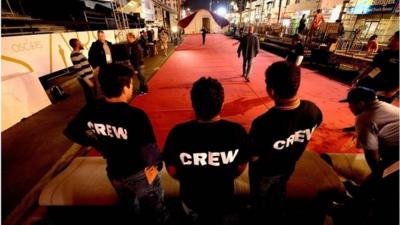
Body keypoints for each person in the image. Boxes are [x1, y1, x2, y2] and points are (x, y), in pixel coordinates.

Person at [63, 64, 168, 225]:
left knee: (128, 204)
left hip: (114, 172)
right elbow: (149, 153)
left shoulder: (91, 109)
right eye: (131, 84)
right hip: (139, 174)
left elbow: (72, 131)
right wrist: (157, 166)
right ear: (125, 87)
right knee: (154, 210)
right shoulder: (135, 116)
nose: (132, 87)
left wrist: (95, 141)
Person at [163, 77, 249, 225]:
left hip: (191, 199)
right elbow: (241, 166)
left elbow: (171, 169)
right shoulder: (237, 132)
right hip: (224, 197)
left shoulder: (178, 133)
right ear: (221, 104)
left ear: (193, 104)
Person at [248, 61, 323, 225]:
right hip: (289, 166)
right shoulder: (313, 110)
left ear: (271, 91)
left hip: (265, 172)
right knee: (280, 190)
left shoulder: (263, 123)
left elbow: (253, 157)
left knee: (260, 198)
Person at [340, 87, 399, 225]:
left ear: (361, 103)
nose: (349, 107)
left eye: (351, 103)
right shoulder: (385, 106)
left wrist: (378, 176)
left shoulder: (365, 118)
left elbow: (372, 155)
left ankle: (354, 211)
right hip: (395, 152)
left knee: (380, 184)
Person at [352, 31, 399, 103]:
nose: (389, 39)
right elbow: (372, 67)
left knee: (379, 111)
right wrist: (359, 77)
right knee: (364, 106)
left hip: (386, 91)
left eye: (392, 37)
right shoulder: (384, 53)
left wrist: (394, 90)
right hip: (373, 85)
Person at [69, 38, 97, 103]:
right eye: (80, 42)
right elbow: (79, 70)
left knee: (94, 97)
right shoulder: (74, 55)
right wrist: (88, 81)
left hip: (90, 78)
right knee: (91, 98)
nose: (82, 44)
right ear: (77, 44)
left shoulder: (78, 53)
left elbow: (84, 66)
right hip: (87, 79)